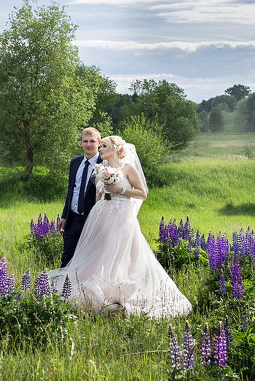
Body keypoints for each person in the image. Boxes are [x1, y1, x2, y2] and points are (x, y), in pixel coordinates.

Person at [49, 135, 192, 318]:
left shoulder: (127, 168)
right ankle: (102, 290)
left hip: (122, 216)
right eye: (99, 147)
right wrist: (99, 203)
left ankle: (119, 292)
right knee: (101, 252)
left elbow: (142, 194)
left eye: (104, 146)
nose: (99, 150)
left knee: (118, 253)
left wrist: (120, 190)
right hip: (102, 214)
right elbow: (97, 197)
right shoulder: (101, 169)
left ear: (115, 148)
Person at [57, 127, 101, 267]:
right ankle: (63, 288)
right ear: (81, 143)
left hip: (92, 220)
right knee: (66, 259)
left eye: (92, 141)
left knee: (89, 261)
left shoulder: (105, 164)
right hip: (73, 218)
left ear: (99, 142)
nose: (88, 144)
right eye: (85, 141)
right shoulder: (75, 162)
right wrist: (64, 216)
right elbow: (71, 191)